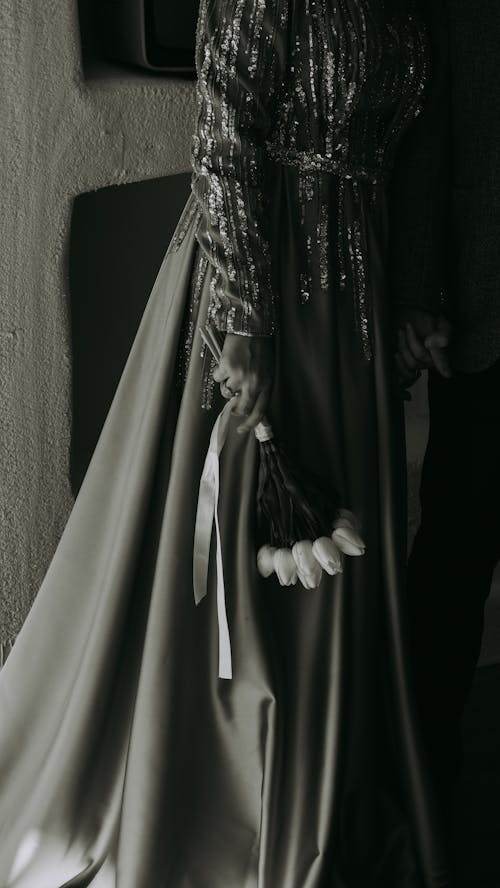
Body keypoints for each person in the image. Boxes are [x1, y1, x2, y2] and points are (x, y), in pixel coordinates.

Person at [0, 2, 451, 886]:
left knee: (342, 542)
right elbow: (223, 129)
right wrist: (247, 317)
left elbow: (418, 148)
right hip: (267, 282)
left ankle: (329, 788)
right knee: (244, 548)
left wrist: (411, 297)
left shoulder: (411, 7)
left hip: (355, 287)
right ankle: (237, 802)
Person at [391, 0, 500, 832]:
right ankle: (424, 774)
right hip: (483, 306)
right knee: (459, 541)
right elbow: (428, 145)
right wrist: (418, 295)